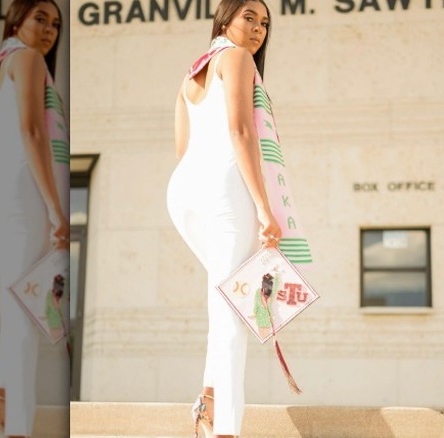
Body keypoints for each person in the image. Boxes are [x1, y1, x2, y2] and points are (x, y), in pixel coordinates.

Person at [166, 1, 285, 436]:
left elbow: (184, 148)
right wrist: (263, 206)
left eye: (264, 23)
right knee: (234, 310)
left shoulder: (191, 73)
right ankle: (227, 431)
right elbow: (241, 132)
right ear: (225, 19)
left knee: (223, 301)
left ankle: (209, 406)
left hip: (185, 192)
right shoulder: (236, 58)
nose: (257, 29)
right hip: (224, 192)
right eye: (248, 17)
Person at [0, 0, 69, 436]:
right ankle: (18, 427)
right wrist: (56, 209)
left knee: (14, 301)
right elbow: (32, 131)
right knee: (23, 311)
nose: (48, 30)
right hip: (16, 193)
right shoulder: (29, 59)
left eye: (56, 24)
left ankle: (0, 407)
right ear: (16, 19)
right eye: (39, 18)